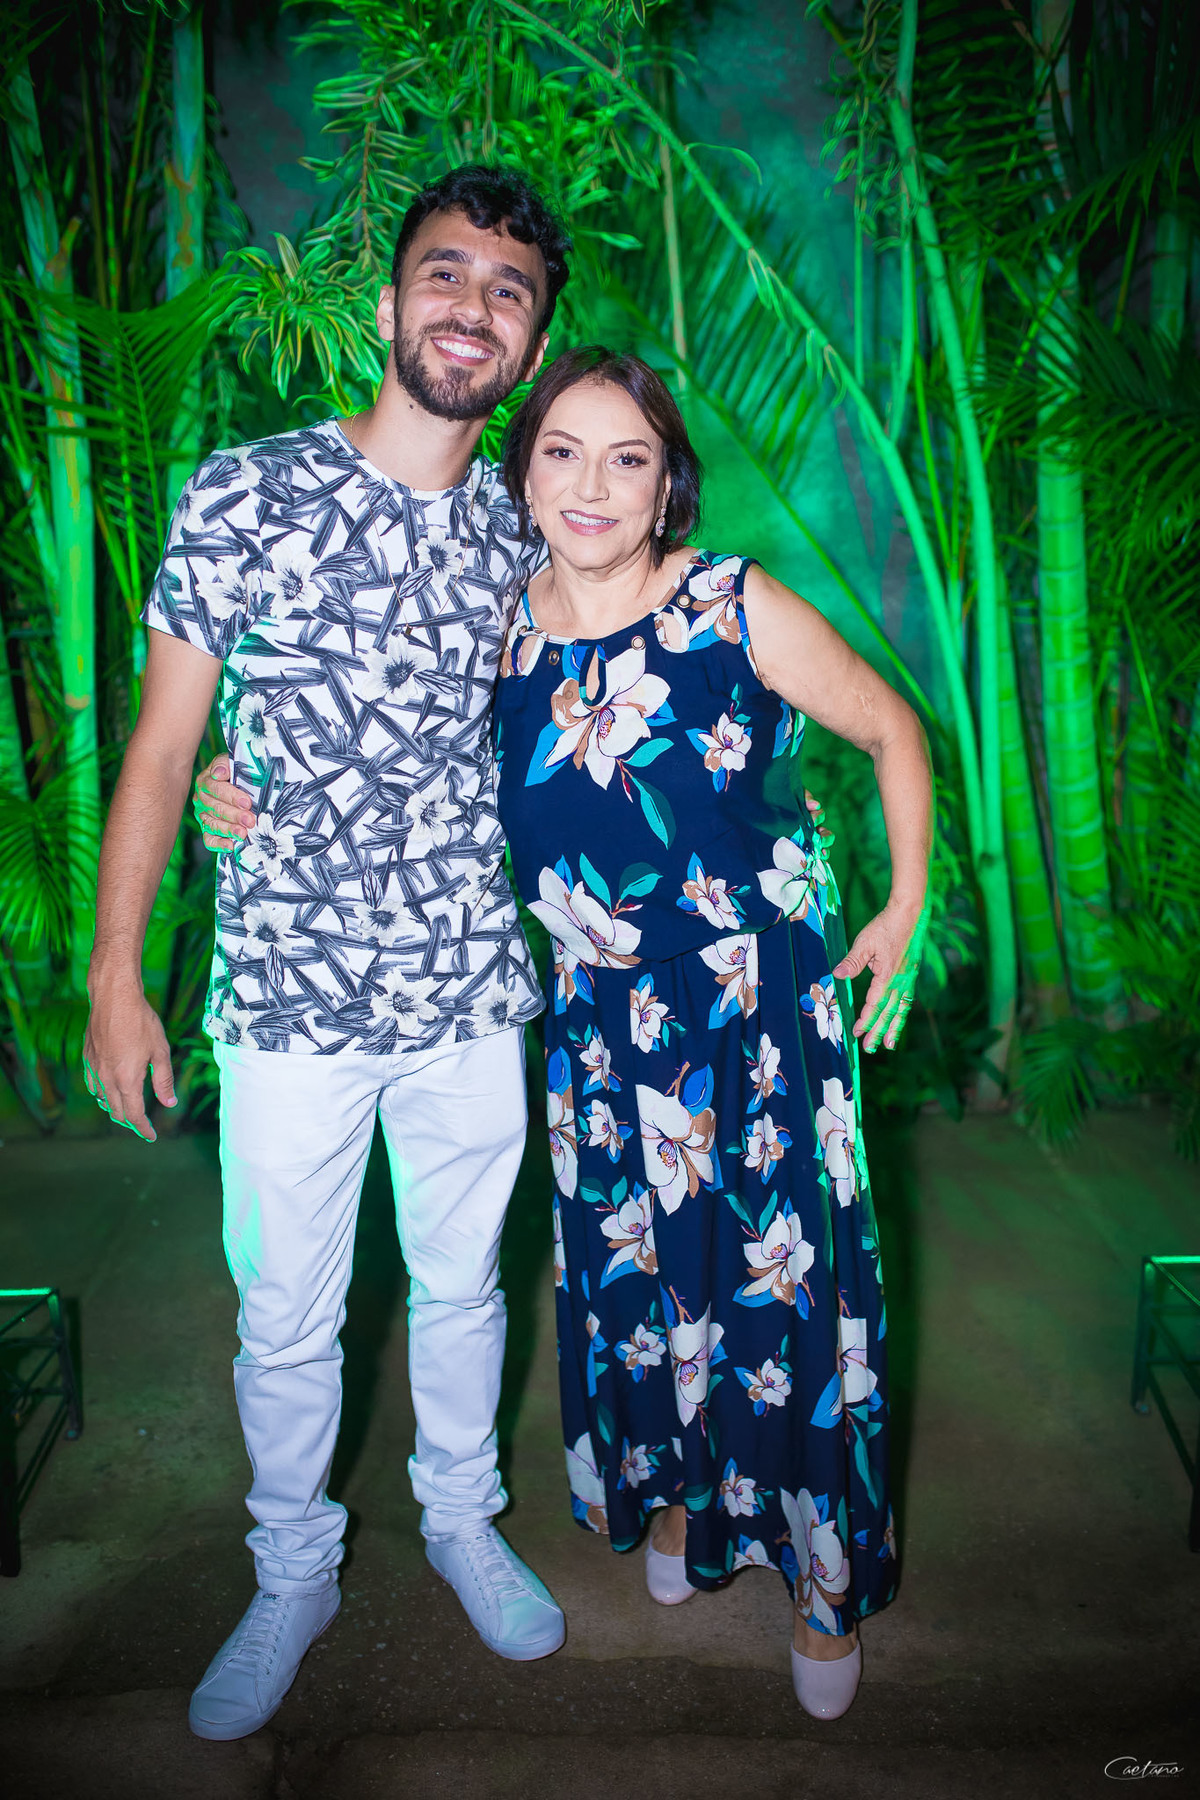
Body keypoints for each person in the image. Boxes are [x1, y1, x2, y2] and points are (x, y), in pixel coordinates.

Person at [196, 346, 932, 1721]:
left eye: (628, 458)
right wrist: (232, 775)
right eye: (563, 452)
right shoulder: (501, 631)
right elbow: (373, 742)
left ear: (667, 485)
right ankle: (684, 1509)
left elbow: (893, 729)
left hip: (757, 1018)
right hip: (601, 1027)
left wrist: (901, 906)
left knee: (779, 1291)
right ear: (522, 474)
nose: (594, 484)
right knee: (647, 1288)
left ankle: (822, 1588)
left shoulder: (733, 603)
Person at [82, 164, 576, 1744]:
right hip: (289, 997)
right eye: (447, 275)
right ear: (386, 304)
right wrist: (114, 976)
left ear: (531, 341)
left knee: (463, 1288)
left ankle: (460, 1519)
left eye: (509, 292)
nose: (474, 308)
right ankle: (290, 1571)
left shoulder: (532, 524)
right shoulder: (247, 490)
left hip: (470, 987)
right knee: (286, 1312)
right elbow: (165, 749)